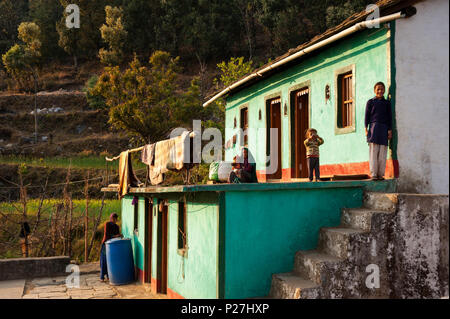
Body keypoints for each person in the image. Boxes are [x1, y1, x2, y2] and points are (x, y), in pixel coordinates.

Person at [365, 82, 392, 181]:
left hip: (384, 128)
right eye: (378, 89)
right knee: (373, 152)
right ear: (374, 90)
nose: (380, 91)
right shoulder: (370, 102)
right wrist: (366, 129)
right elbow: (366, 117)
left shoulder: (387, 103)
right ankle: (374, 174)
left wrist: (389, 130)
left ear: (384, 90)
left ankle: (380, 174)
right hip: (373, 128)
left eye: (382, 89)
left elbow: (389, 118)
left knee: (382, 152)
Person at [100, 213, 122, 282]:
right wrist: (116, 236)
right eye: (113, 218)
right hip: (105, 244)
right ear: (111, 218)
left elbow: (117, 235)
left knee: (110, 261)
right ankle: (102, 277)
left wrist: (120, 236)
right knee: (104, 260)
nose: (115, 220)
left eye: (116, 218)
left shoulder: (116, 226)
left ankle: (109, 276)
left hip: (113, 245)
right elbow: (107, 234)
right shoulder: (107, 224)